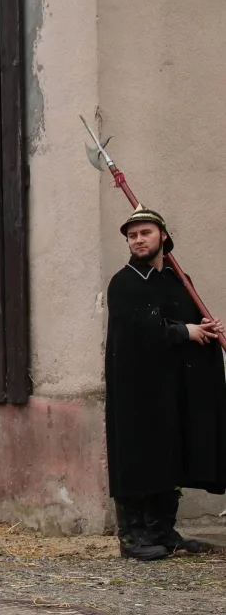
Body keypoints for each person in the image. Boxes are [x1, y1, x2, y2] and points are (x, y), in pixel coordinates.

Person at [104, 206, 226, 560]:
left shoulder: (175, 280)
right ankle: (133, 538)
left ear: (163, 237)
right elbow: (142, 331)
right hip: (137, 389)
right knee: (139, 456)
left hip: (172, 387)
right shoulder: (125, 283)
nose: (138, 240)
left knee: (171, 456)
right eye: (132, 235)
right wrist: (184, 331)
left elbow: (185, 321)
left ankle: (162, 530)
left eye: (146, 233)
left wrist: (203, 328)